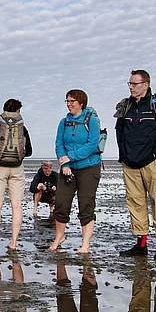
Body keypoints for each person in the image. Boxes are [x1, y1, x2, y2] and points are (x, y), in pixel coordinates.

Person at [115, 69, 156, 259]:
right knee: (135, 203)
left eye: (135, 84)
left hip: (152, 163)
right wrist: (123, 155)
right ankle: (141, 244)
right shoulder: (125, 106)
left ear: (146, 85)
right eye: (130, 84)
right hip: (130, 164)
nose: (131, 87)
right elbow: (120, 132)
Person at [49, 89, 102, 254]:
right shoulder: (63, 122)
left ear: (81, 103)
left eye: (72, 101)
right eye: (67, 101)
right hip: (68, 169)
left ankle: (85, 244)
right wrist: (65, 164)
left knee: (86, 205)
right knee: (61, 203)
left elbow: (92, 144)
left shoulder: (92, 120)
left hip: (89, 167)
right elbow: (59, 144)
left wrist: (70, 157)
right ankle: (59, 236)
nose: (69, 104)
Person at [0, 98, 33, 251]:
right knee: (16, 206)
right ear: (18, 111)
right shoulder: (22, 127)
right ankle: (13, 243)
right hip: (17, 168)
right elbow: (29, 151)